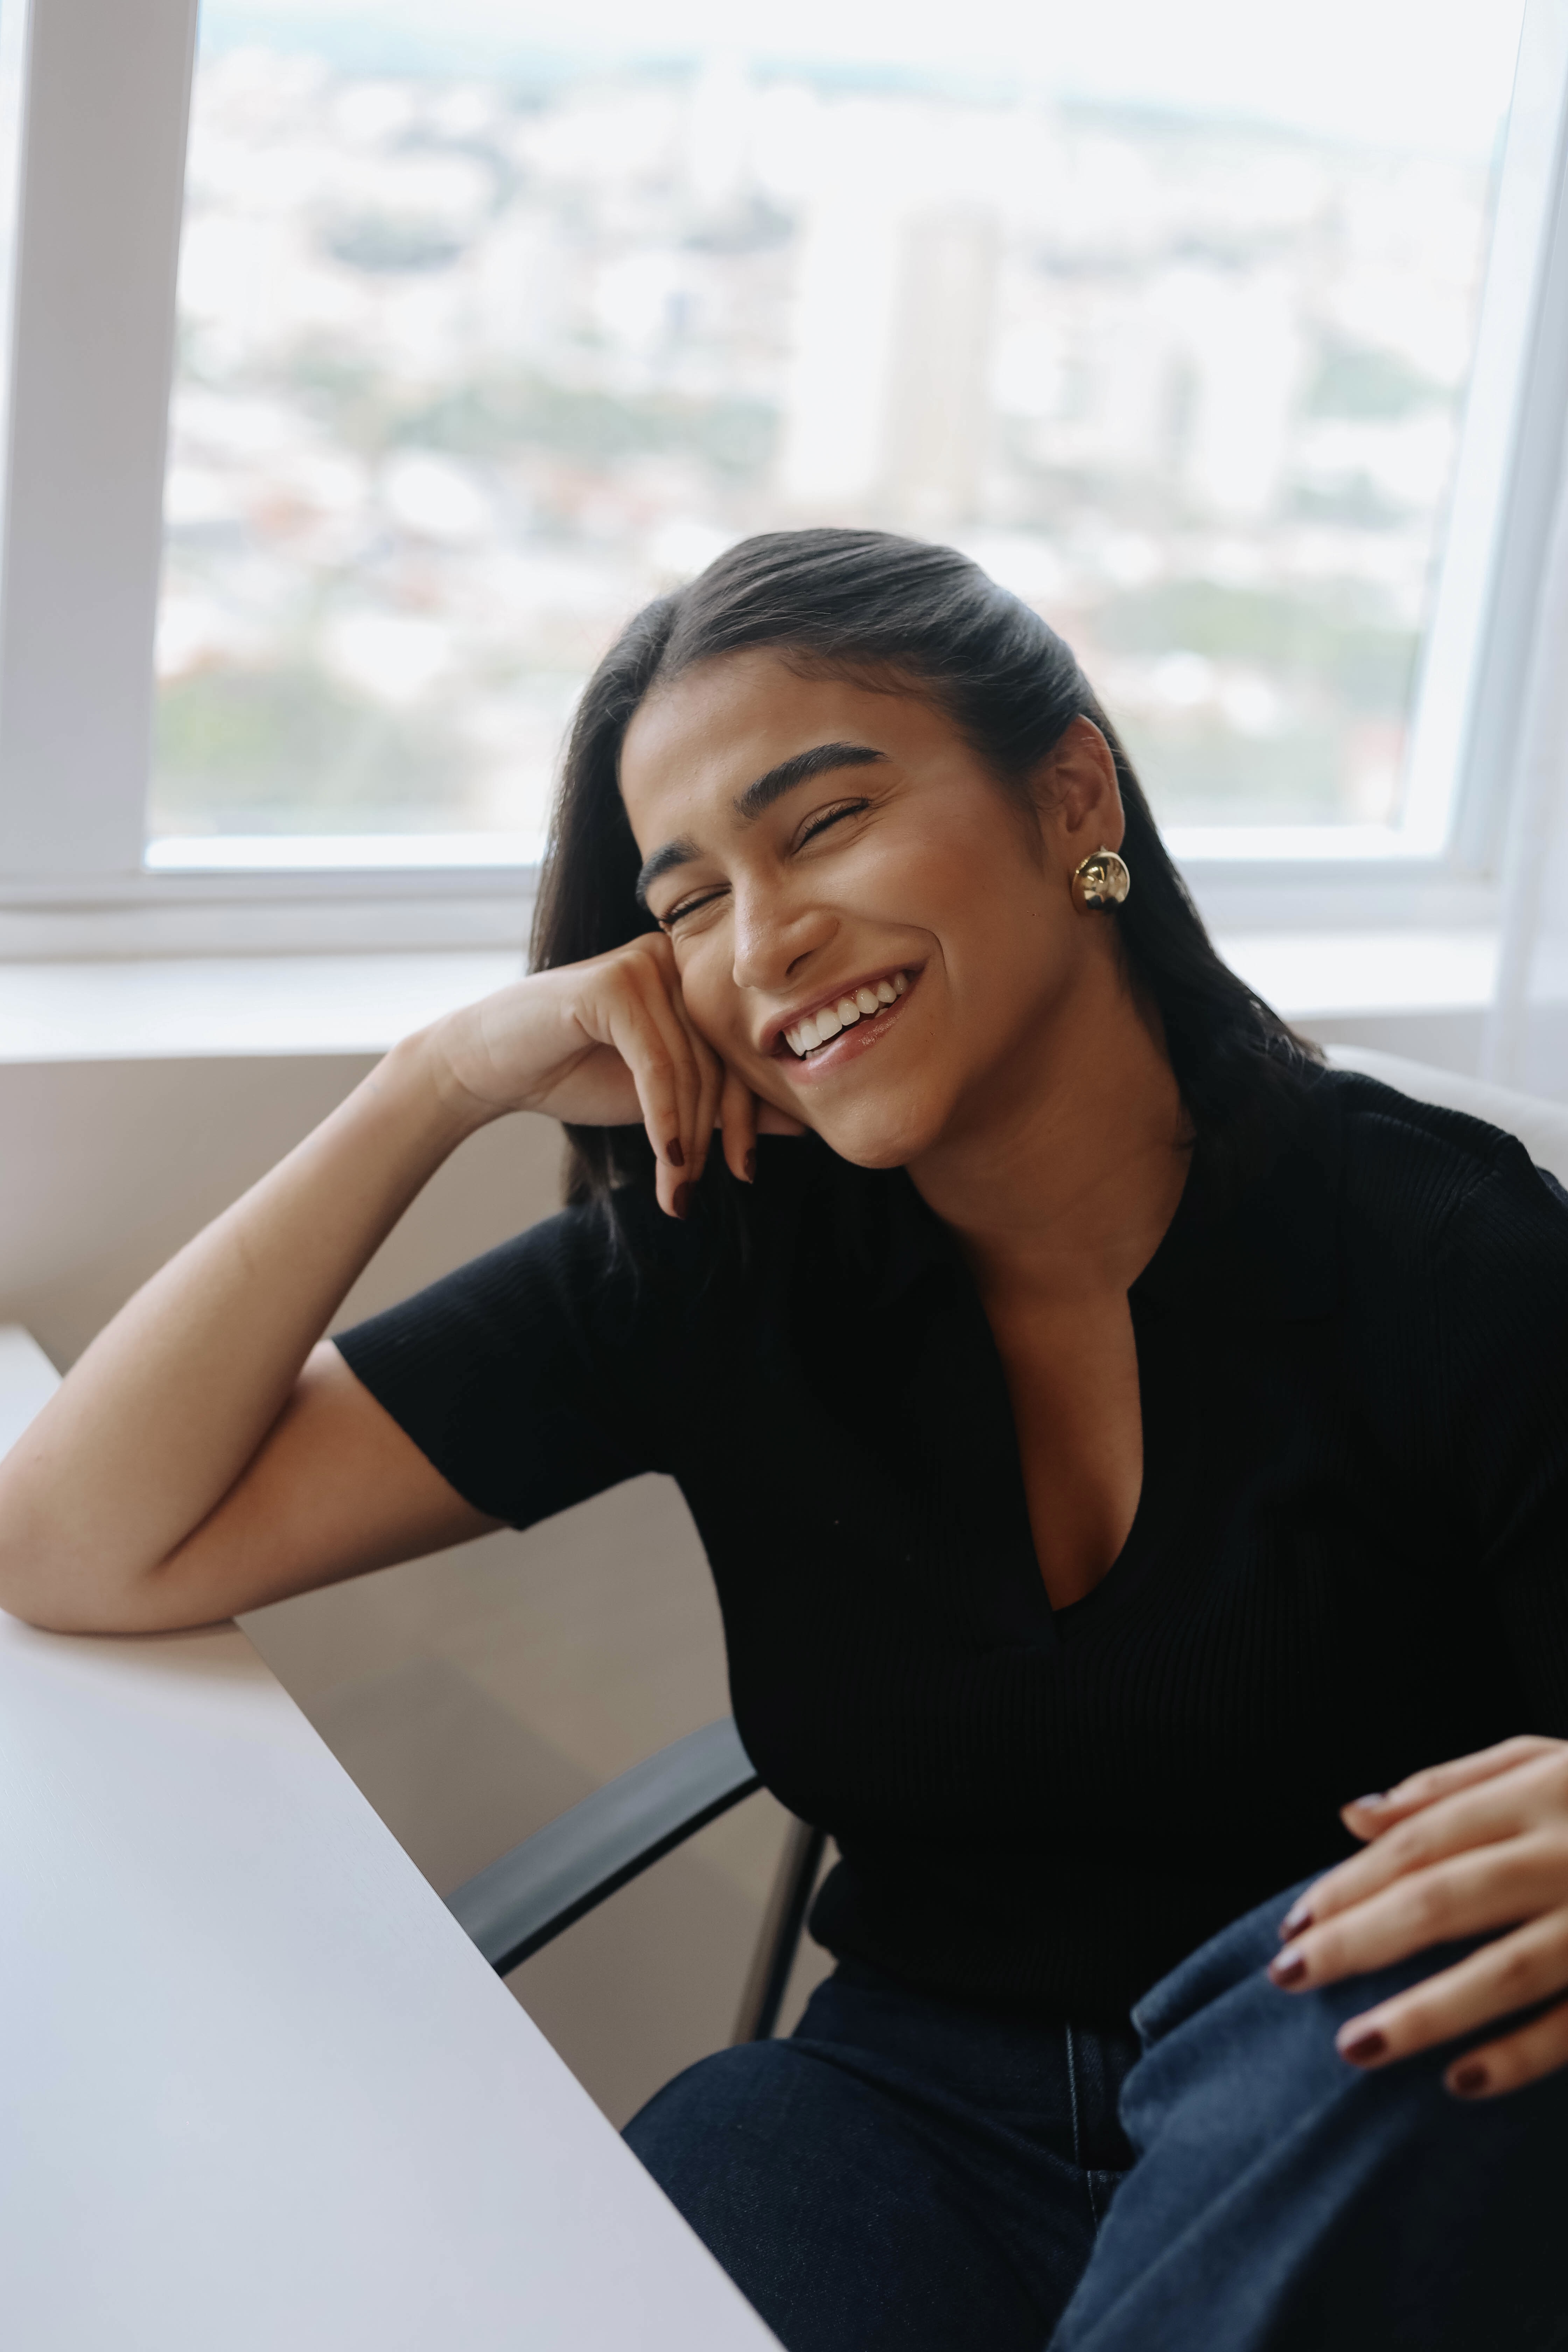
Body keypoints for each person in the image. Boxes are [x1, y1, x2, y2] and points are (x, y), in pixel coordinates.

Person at [3, 529, 1567, 2351]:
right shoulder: (729, 1258)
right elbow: (77, 1543)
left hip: (1337, 2094)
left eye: (824, 824)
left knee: (1403, 2010)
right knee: (717, 2174)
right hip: (907, 2115)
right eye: (689, 904)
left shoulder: (1456, 1263)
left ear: (1073, 797)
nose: (766, 944)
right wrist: (435, 1079)